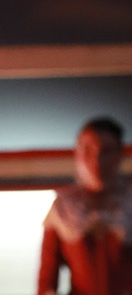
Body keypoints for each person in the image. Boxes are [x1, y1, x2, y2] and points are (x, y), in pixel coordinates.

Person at [38, 116, 132, 295]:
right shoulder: (63, 208)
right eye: (88, 150)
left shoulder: (129, 202)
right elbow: (46, 282)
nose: (97, 160)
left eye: (106, 151)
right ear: (77, 154)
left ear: (120, 155)